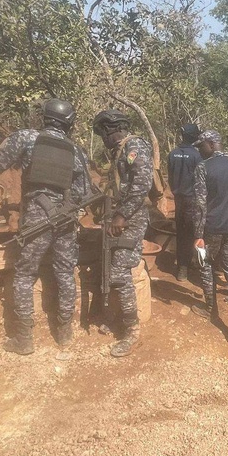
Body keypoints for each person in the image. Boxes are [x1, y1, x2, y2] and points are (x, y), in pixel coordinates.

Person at [0, 98, 91, 355]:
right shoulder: (77, 151)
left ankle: (23, 339)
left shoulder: (26, 138)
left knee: (24, 274)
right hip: (66, 219)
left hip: (37, 217)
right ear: (69, 124)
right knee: (65, 272)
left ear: (44, 117)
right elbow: (85, 192)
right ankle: (64, 332)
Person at [92, 109, 153, 358]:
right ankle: (116, 316)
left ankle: (132, 330)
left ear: (110, 129)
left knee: (119, 271)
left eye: (102, 133)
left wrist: (122, 215)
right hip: (122, 217)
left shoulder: (134, 146)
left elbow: (141, 185)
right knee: (111, 267)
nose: (102, 139)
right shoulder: (120, 151)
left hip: (132, 219)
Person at [192, 130, 228, 340]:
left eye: (201, 146)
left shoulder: (203, 168)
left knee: (205, 265)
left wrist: (198, 234)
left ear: (211, 144)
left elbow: (199, 205)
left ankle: (210, 308)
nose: (200, 150)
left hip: (212, 228)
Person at [167, 123, 201, 281]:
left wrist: (176, 190)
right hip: (192, 199)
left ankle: (182, 267)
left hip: (178, 199)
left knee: (181, 232)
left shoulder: (173, 154)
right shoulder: (196, 155)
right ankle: (189, 265)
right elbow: (200, 180)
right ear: (195, 137)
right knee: (194, 232)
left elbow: (170, 177)